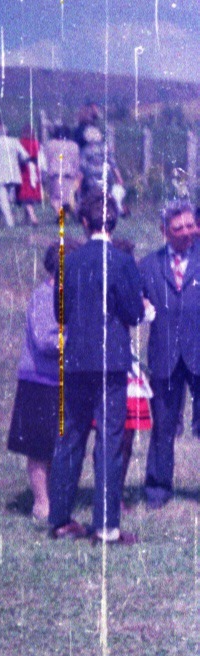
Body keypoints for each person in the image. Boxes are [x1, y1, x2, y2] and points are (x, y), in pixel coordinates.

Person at [47, 184, 145, 544]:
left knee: (70, 437)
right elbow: (134, 313)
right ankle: (106, 526)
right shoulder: (122, 262)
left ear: (84, 222)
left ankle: (60, 520)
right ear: (114, 222)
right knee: (109, 441)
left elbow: (60, 314)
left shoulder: (68, 261)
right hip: (112, 361)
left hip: (75, 361)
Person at [7, 239, 79, 521]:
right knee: (39, 446)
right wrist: (79, 338)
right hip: (39, 382)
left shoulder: (70, 296)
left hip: (64, 382)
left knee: (60, 445)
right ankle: (41, 502)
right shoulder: (43, 296)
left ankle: (57, 498)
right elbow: (45, 340)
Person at [138, 197, 200, 509]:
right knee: (163, 426)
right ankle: (158, 489)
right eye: (179, 228)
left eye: (192, 225)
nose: (189, 232)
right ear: (165, 231)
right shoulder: (149, 265)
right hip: (165, 357)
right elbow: (133, 303)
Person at [0, 114, 30, 228]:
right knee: (6, 198)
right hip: (13, 173)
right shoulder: (15, 141)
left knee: (3, 199)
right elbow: (25, 156)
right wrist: (20, 162)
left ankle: (10, 223)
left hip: (0, 174)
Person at [43, 125, 81, 217]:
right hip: (69, 174)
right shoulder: (74, 146)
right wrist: (77, 172)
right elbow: (76, 161)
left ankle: (60, 214)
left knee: (55, 198)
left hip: (55, 173)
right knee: (66, 198)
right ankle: (65, 214)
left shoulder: (50, 144)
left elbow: (46, 159)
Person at [17, 127, 42, 226]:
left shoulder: (21, 142)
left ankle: (33, 217)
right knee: (30, 194)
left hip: (25, 169)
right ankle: (26, 219)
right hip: (35, 168)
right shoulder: (36, 143)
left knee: (26, 195)